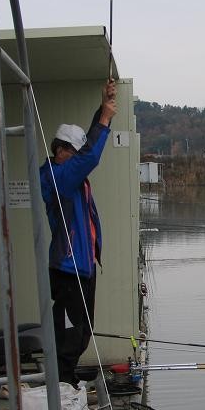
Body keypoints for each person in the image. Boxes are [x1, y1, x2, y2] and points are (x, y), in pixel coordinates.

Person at [40, 79, 116, 387]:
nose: (76, 157)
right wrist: (105, 118)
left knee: (84, 331)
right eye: (72, 151)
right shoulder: (56, 177)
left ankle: (66, 381)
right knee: (70, 334)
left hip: (83, 267)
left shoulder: (70, 173)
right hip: (67, 268)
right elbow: (90, 156)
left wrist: (103, 107)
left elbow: (87, 151)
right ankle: (61, 387)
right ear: (59, 150)